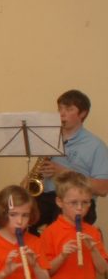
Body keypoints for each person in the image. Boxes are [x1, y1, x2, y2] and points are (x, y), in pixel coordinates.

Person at [33, 89, 108, 229]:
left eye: (68, 109)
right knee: (17, 218)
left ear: (83, 113)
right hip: (47, 197)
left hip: (77, 202)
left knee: (60, 229)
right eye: (60, 109)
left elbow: (103, 189)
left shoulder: (96, 146)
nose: (61, 114)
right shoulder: (50, 140)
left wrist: (65, 173)